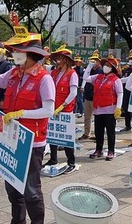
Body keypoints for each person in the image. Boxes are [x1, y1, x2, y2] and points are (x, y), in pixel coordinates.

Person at [0, 25, 56, 224]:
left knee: (31, 188)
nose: (13, 54)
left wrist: (21, 114)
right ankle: (18, 223)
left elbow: (48, 110)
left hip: (32, 140)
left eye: (17, 51)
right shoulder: (14, 74)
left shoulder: (44, 78)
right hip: (11, 138)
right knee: (11, 184)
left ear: (30, 54)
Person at [44, 45, 79, 175]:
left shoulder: (72, 74)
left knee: (66, 137)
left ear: (66, 59)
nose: (57, 59)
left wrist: (63, 106)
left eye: (60, 57)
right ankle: (53, 159)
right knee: (52, 134)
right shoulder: (54, 72)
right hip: (53, 109)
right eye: (57, 57)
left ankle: (71, 162)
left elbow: (73, 92)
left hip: (65, 110)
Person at [86, 55, 123, 160]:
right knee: (98, 131)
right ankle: (99, 149)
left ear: (112, 68)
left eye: (108, 65)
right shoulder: (98, 77)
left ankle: (111, 151)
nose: (105, 67)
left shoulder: (116, 80)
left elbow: (120, 93)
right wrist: (89, 66)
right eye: (105, 65)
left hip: (110, 109)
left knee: (110, 132)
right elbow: (85, 78)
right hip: (98, 109)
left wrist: (118, 108)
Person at [79, 51, 100, 141]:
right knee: (87, 117)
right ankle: (87, 133)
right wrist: (89, 66)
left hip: (96, 96)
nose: (93, 62)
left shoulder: (101, 70)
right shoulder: (89, 70)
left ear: (98, 62)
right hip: (88, 95)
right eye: (92, 60)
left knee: (98, 117)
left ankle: (98, 134)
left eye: (95, 60)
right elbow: (85, 78)